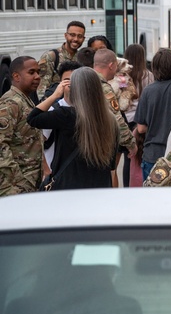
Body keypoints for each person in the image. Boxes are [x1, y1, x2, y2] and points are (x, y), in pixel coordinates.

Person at [27, 68, 119, 190]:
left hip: (69, 187)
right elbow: (112, 167)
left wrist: (55, 95)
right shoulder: (111, 120)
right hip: (100, 187)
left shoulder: (67, 115)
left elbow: (33, 118)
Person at [133, 49, 171, 180]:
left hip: (153, 155)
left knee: (153, 198)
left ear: (154, 67)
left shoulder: (148, 91)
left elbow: (141, 128)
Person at [0, 56, 44, 195]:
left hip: (29, 182)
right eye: (31, 72)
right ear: (16, 76)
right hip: (15, 186)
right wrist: (18, 181)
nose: (37, 77)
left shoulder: (25, 100)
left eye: (38, 72)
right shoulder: (11, 102)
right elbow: (1, 145)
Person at [37, 20, 86, 92]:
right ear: (66, 35)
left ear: (83, 39)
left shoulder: (82, 59)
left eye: (80, 36)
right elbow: (42, 88)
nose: (76, 39)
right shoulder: (51, 57)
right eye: (72, 35)